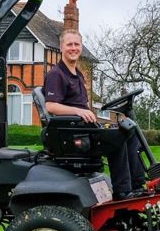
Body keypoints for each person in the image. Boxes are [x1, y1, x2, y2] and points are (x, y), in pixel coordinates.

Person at [43, 29, 146, 199]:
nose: (73, 48)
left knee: (130, 129)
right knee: (118, 136)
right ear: (61, 47)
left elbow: (86, 108)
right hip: (74, 134)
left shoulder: (78, 74)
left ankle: (138, 184)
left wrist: (111, 116)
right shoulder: (56, 75)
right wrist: (79, 111)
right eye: (69, 44)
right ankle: (122, 191)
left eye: (76, 44)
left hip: (86, 126)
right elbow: (51, 106)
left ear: (81, 47)